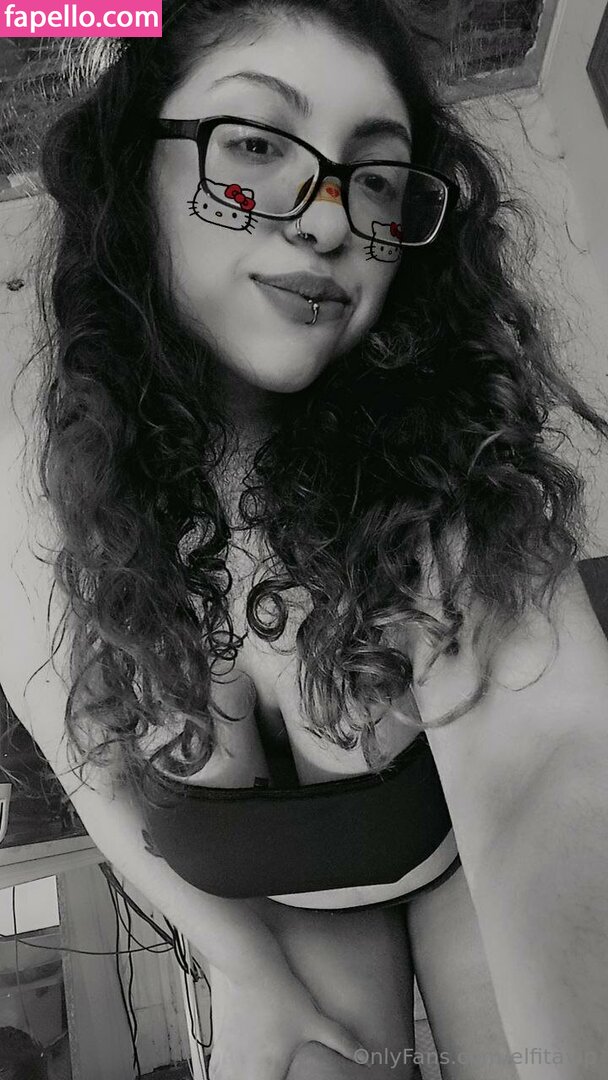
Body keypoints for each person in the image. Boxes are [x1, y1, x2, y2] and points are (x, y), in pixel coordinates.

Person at [1, 2, 608, 1078]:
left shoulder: (446, 458)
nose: (329, 220)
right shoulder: (35, 480)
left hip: (452, 870)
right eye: (252, 145)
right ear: (132, 172)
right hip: (269, 913)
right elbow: (82, 759)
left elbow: (548, 759)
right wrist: (241, 973)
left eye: (374, 177)